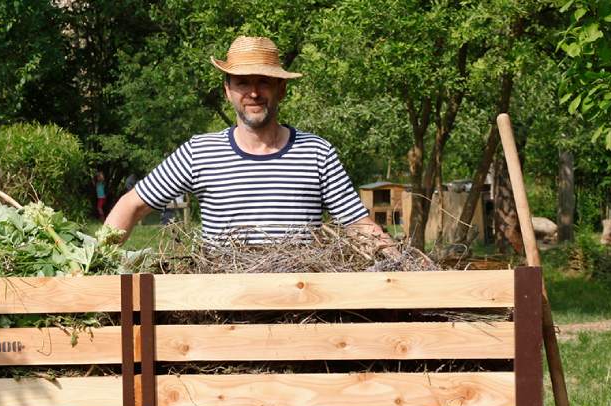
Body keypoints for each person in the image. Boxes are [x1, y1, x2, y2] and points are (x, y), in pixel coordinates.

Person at [104, 35, 395, 248]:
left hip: (301, 310)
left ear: (281, 90)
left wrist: (409, 266)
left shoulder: (317, 152)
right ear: (228, 90)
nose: (253, 93)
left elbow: (358, 226)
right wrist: (94, 264)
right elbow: (132, 205)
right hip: (222, 311)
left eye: (264, 81)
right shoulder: (199, 152)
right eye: (243, 82)